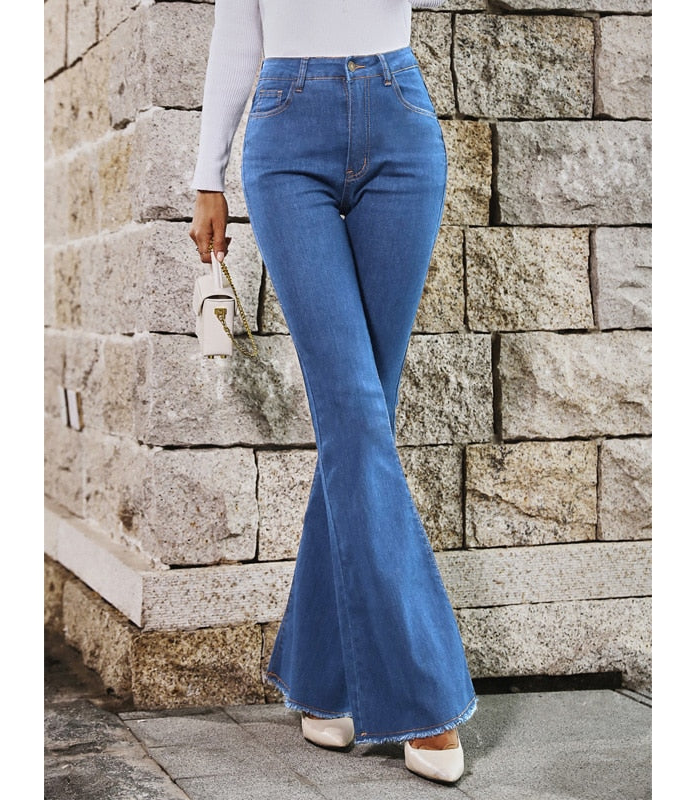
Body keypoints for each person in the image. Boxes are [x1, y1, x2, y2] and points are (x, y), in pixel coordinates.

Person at [189, 0, 476, 784]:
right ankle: (424, 697)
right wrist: (207, 176)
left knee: (363, 419)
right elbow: (238, 32)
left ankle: (323, 679)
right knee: (353, 411)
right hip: (286, 138)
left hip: (399, 117)